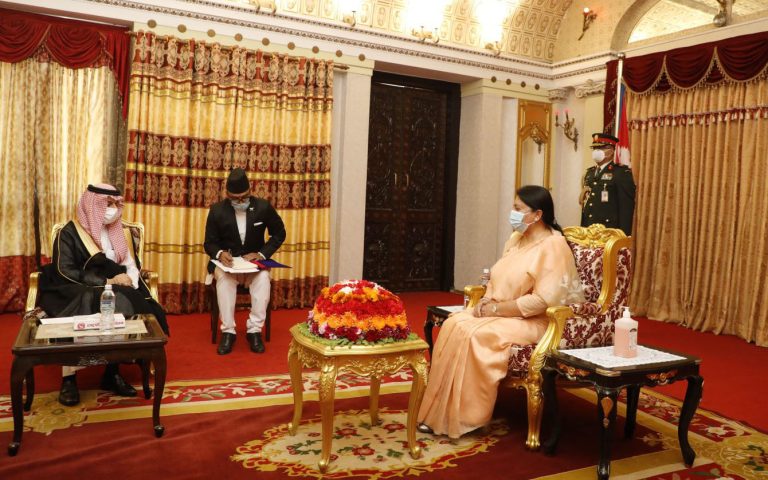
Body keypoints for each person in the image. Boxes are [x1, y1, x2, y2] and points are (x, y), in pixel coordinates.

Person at [417, 185, 584, 440]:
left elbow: (542, 301)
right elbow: (498, 277)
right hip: (502, 313)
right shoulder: (516, 239)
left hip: (536, 321)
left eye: (518, 208)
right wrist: (486, 300)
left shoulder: (554, 246)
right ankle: (438, 411)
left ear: (537, 214)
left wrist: (496, 309)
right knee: (454, 323)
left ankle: (466, 417)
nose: (512, 213)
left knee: (476, 335)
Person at [37, 183, 169, 406]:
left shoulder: (118, 231)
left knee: (126, 301)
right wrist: (107, 282)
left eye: (116, 204)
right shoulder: (69, 233)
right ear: (92, 205)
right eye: (107, 204)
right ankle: (69, 378)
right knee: (85, 300)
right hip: (76, 285)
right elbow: (65, 271)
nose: (113, 210)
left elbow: (130, 265)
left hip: (114, 287)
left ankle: (112, 371)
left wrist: (130, 281)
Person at [204, 168, 286, 355]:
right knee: (224, 280)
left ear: (250, 190)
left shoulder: (263, 207)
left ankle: (254, 330)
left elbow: (279, 233)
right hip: (228, 266)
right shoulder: (217, 211)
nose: (240, 202)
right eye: (235, 199)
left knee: (263, 279)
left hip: (253, 266)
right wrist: (220, 253)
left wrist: (262, 254)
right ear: (227, 194)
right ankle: (228, 332)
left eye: (244, 197)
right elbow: (209, 243)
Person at [580, 133, 636, 235]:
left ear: (611, 151)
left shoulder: (620, 173)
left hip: (609, 232)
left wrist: (623, 236)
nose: (596, 152)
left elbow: (626, 208)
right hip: (589, 229)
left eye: (600, 148)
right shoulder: (590, 173)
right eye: (594, 148)